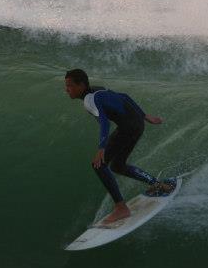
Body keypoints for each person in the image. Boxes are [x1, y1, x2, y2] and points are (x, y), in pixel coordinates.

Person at [64, 68, 175, 224]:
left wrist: (101, 148)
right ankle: (159, 185)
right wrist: (144, 115)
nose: (66, 89)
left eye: (69, 86)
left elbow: (104, 121)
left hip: (128, 128)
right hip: (136, 123)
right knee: (117, 165)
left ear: (81, 85)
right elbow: (124, 96)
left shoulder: (89, 101)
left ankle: (121, 208)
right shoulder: (98, 89)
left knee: (98, 165)